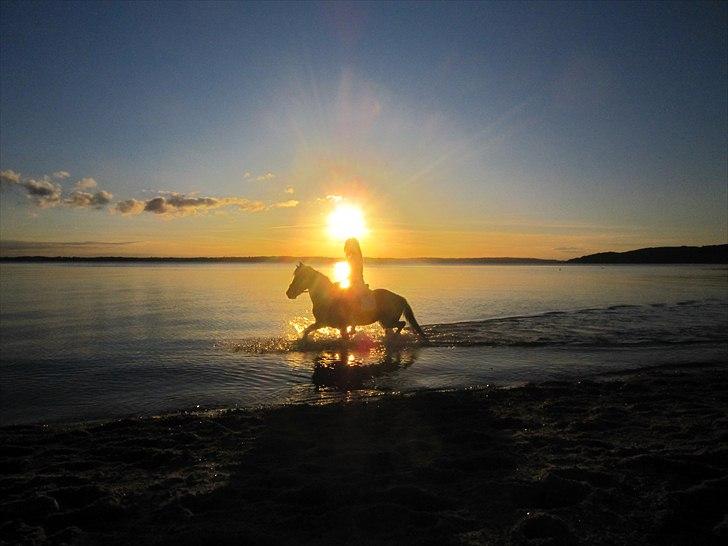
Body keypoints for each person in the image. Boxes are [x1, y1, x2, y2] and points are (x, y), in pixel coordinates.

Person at [344, 237, 375, 312]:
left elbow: (356, 271)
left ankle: (353, 315)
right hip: (353, 281)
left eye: (347, 246)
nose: (346, 248)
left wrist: (350, 278)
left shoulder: (355, 257)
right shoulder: (353, 256)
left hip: (357, 283)